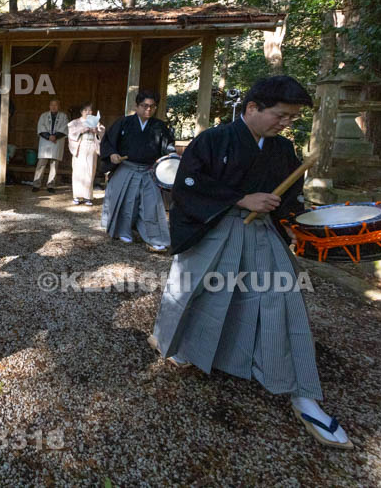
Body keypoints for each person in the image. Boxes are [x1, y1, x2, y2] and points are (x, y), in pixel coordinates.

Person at [150, 75, 351, 449]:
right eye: (281, 115)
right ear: (253, 107)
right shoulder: (214, 139)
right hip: (214, 227)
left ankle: (301, 392)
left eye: (292, 118)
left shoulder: (281, 149)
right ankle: (182, 347)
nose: (285, 123)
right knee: (196, 292)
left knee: (281, 299)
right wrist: (240, 199)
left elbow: (289, 196)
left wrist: (290, 222)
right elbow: (187, 185)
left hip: (261, 232)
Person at [100, 89, 175, 251]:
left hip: (149, 170)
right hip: (127, 167)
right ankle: (123, 231)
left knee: (152, 205)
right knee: (126, 202)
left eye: (152, 106)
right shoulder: (124, 122)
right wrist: (112, 154)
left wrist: (171, 155)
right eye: (144, 105)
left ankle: (155, 237)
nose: (148, 109)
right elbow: (108, 141)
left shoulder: (159, 126)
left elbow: (168, 147)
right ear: (137, 106)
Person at [67, 103, 105, 205]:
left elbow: (102, 132)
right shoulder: (75, 122)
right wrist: (82, 130)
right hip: (80, 147)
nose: (88, 112)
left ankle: (87, 197)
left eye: (90, 110)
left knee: (90, 171)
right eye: (85, 110)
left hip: (91, 146)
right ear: (81, 112)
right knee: (78, 172)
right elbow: (71, 134)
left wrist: (97, 131)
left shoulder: (96, 122)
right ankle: (77, 196)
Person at [32, 99, 67, 193]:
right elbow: (41, 127)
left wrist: (55, 136)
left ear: (59, 106)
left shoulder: (63, 116)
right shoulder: (43, 116)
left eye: (56, 105)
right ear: (49, 106)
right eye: (52, 105)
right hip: (45, 142)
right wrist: (49, 137)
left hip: (57, 142)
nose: (53, 107)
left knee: (54, 165)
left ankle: (51, 185)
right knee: (41, 164)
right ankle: (36, 184)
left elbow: (64, 128)